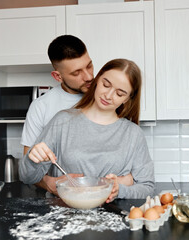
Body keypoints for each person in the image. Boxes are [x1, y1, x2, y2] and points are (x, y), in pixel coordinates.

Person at [19, 59, 155, 202]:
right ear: (96, 80)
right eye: (106, 85)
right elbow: (26, 177)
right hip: (63, 217)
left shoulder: (133, 134)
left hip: (114, 218)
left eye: (119, 94)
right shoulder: (62, 120)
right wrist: (32, 159)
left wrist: (119, 190)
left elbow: (147, 188)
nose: (108, 96)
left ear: (127, 99)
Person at [21, 35, 133, 192]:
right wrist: (50, 183)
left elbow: (131, 160)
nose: (88, 76)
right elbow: (28, 167)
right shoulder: (41, 107)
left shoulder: (109, 97)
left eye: (89, 66)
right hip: (60, 201)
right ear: (57, 76)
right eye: (76, 73)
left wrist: (124, 181)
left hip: (109, 199)